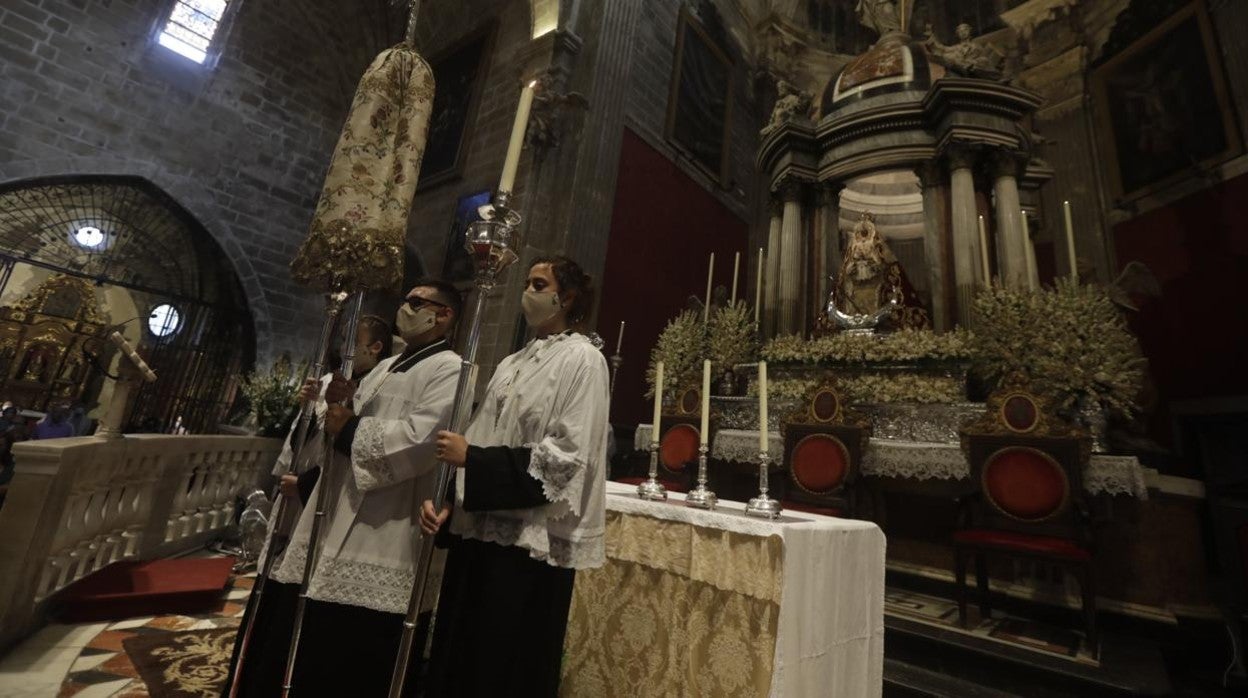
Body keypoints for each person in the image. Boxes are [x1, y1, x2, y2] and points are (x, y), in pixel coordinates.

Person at [229, 282, 462, 697]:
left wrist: (350, 426)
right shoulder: (387, 365)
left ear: (443, 314)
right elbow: (338, 426)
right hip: (337, 506)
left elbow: (422, 439)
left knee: (349, 657)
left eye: (415, 303)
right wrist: (341, 404)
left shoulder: (449, 368)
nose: (404, 310)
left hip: (385, 525)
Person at [423, 255, 610, 697]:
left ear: (565, 297)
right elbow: (481, 432)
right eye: (527, 281)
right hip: (479, 532)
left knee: (502, 665)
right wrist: (453, 502)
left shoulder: (584, 361)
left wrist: (476, 461)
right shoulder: (511, 363)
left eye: (538, 283)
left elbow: (567, 457)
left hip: (527, 544)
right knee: (459, 655)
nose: (528, 290)